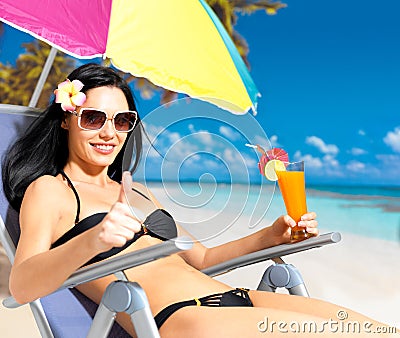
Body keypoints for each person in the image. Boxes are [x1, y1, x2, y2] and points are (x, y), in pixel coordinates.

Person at [2, 64, 393, 337]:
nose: (109, 132)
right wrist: (93, 240)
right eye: (93, 118)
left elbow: (202, 259)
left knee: (379, 332)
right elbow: (21, 286)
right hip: (181, 320)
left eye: (122, 121)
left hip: (236, 301)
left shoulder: (136, 191)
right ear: (67, 119)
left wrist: (272, 236)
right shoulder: (50, 190)